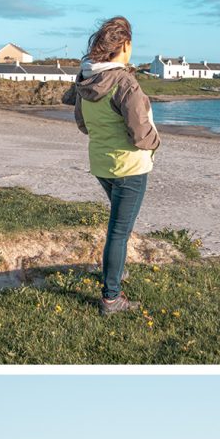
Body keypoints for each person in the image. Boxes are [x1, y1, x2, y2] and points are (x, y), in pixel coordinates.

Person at [72, 16, 161, 315]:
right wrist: (156, 142)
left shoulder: (85, 79)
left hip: (102, 163)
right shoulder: (124, 82)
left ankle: (116, 271)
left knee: (119, 226)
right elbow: (140, 133)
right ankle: (111, 297)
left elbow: (83, 124)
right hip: (129, 167)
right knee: (119, 231)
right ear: (124, 45)